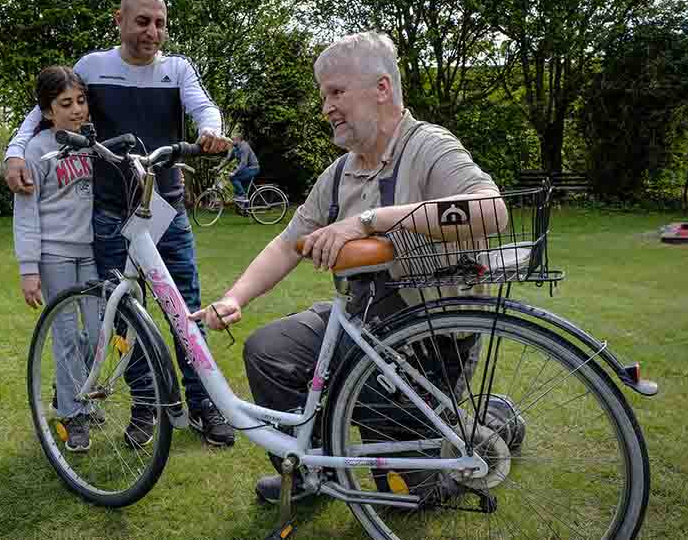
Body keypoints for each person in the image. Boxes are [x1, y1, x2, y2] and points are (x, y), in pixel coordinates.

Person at [191, 31, 508, 503]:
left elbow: (492, 211)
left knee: (407, 499)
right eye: (324, 96)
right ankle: (311, 473)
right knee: (269, 349)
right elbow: (286, 244)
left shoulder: (429, 148)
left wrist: (368, 222)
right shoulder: (340, 172)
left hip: (428, 346)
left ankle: (497, 423)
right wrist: (234, 298)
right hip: (363, 326)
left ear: (381, 88)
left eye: (336, 92)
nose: (326, 107)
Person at [2, 0, 235, 447]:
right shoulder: (92, 67)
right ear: (119, 20)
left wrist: (211, 129)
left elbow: (203, 106)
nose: (152, 31)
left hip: (165, 209)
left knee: (183, 312)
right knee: (125, 317)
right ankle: (146, 407)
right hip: (110, 213)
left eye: (160, 23)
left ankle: (204, 404)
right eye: (142, 21)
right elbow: (37, 116)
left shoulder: (177, 69)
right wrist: (14, 154)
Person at [13, 65, 102, 453]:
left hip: (92, 252)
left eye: (81, 101)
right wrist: (28, 269)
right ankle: (73, 415)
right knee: (65, 335)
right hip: (54, 255)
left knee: (98, 332)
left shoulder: (92, 143)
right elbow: (26, 212)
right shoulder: (36, 150)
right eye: (66, 103)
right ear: (48, 111)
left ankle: (72, 389)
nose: (77, 110)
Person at [224, 133, 259, 205]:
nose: (231, 141)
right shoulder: (235, 148)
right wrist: (218, 167)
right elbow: (228, 159)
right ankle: (245, 210)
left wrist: (234, 173)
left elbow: (243, 163)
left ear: (238, 140)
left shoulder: (244, 147)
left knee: (233, 177)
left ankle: (242, 195)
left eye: (233, 139)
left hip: (252, 169)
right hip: (246, 169)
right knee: (243, 188)